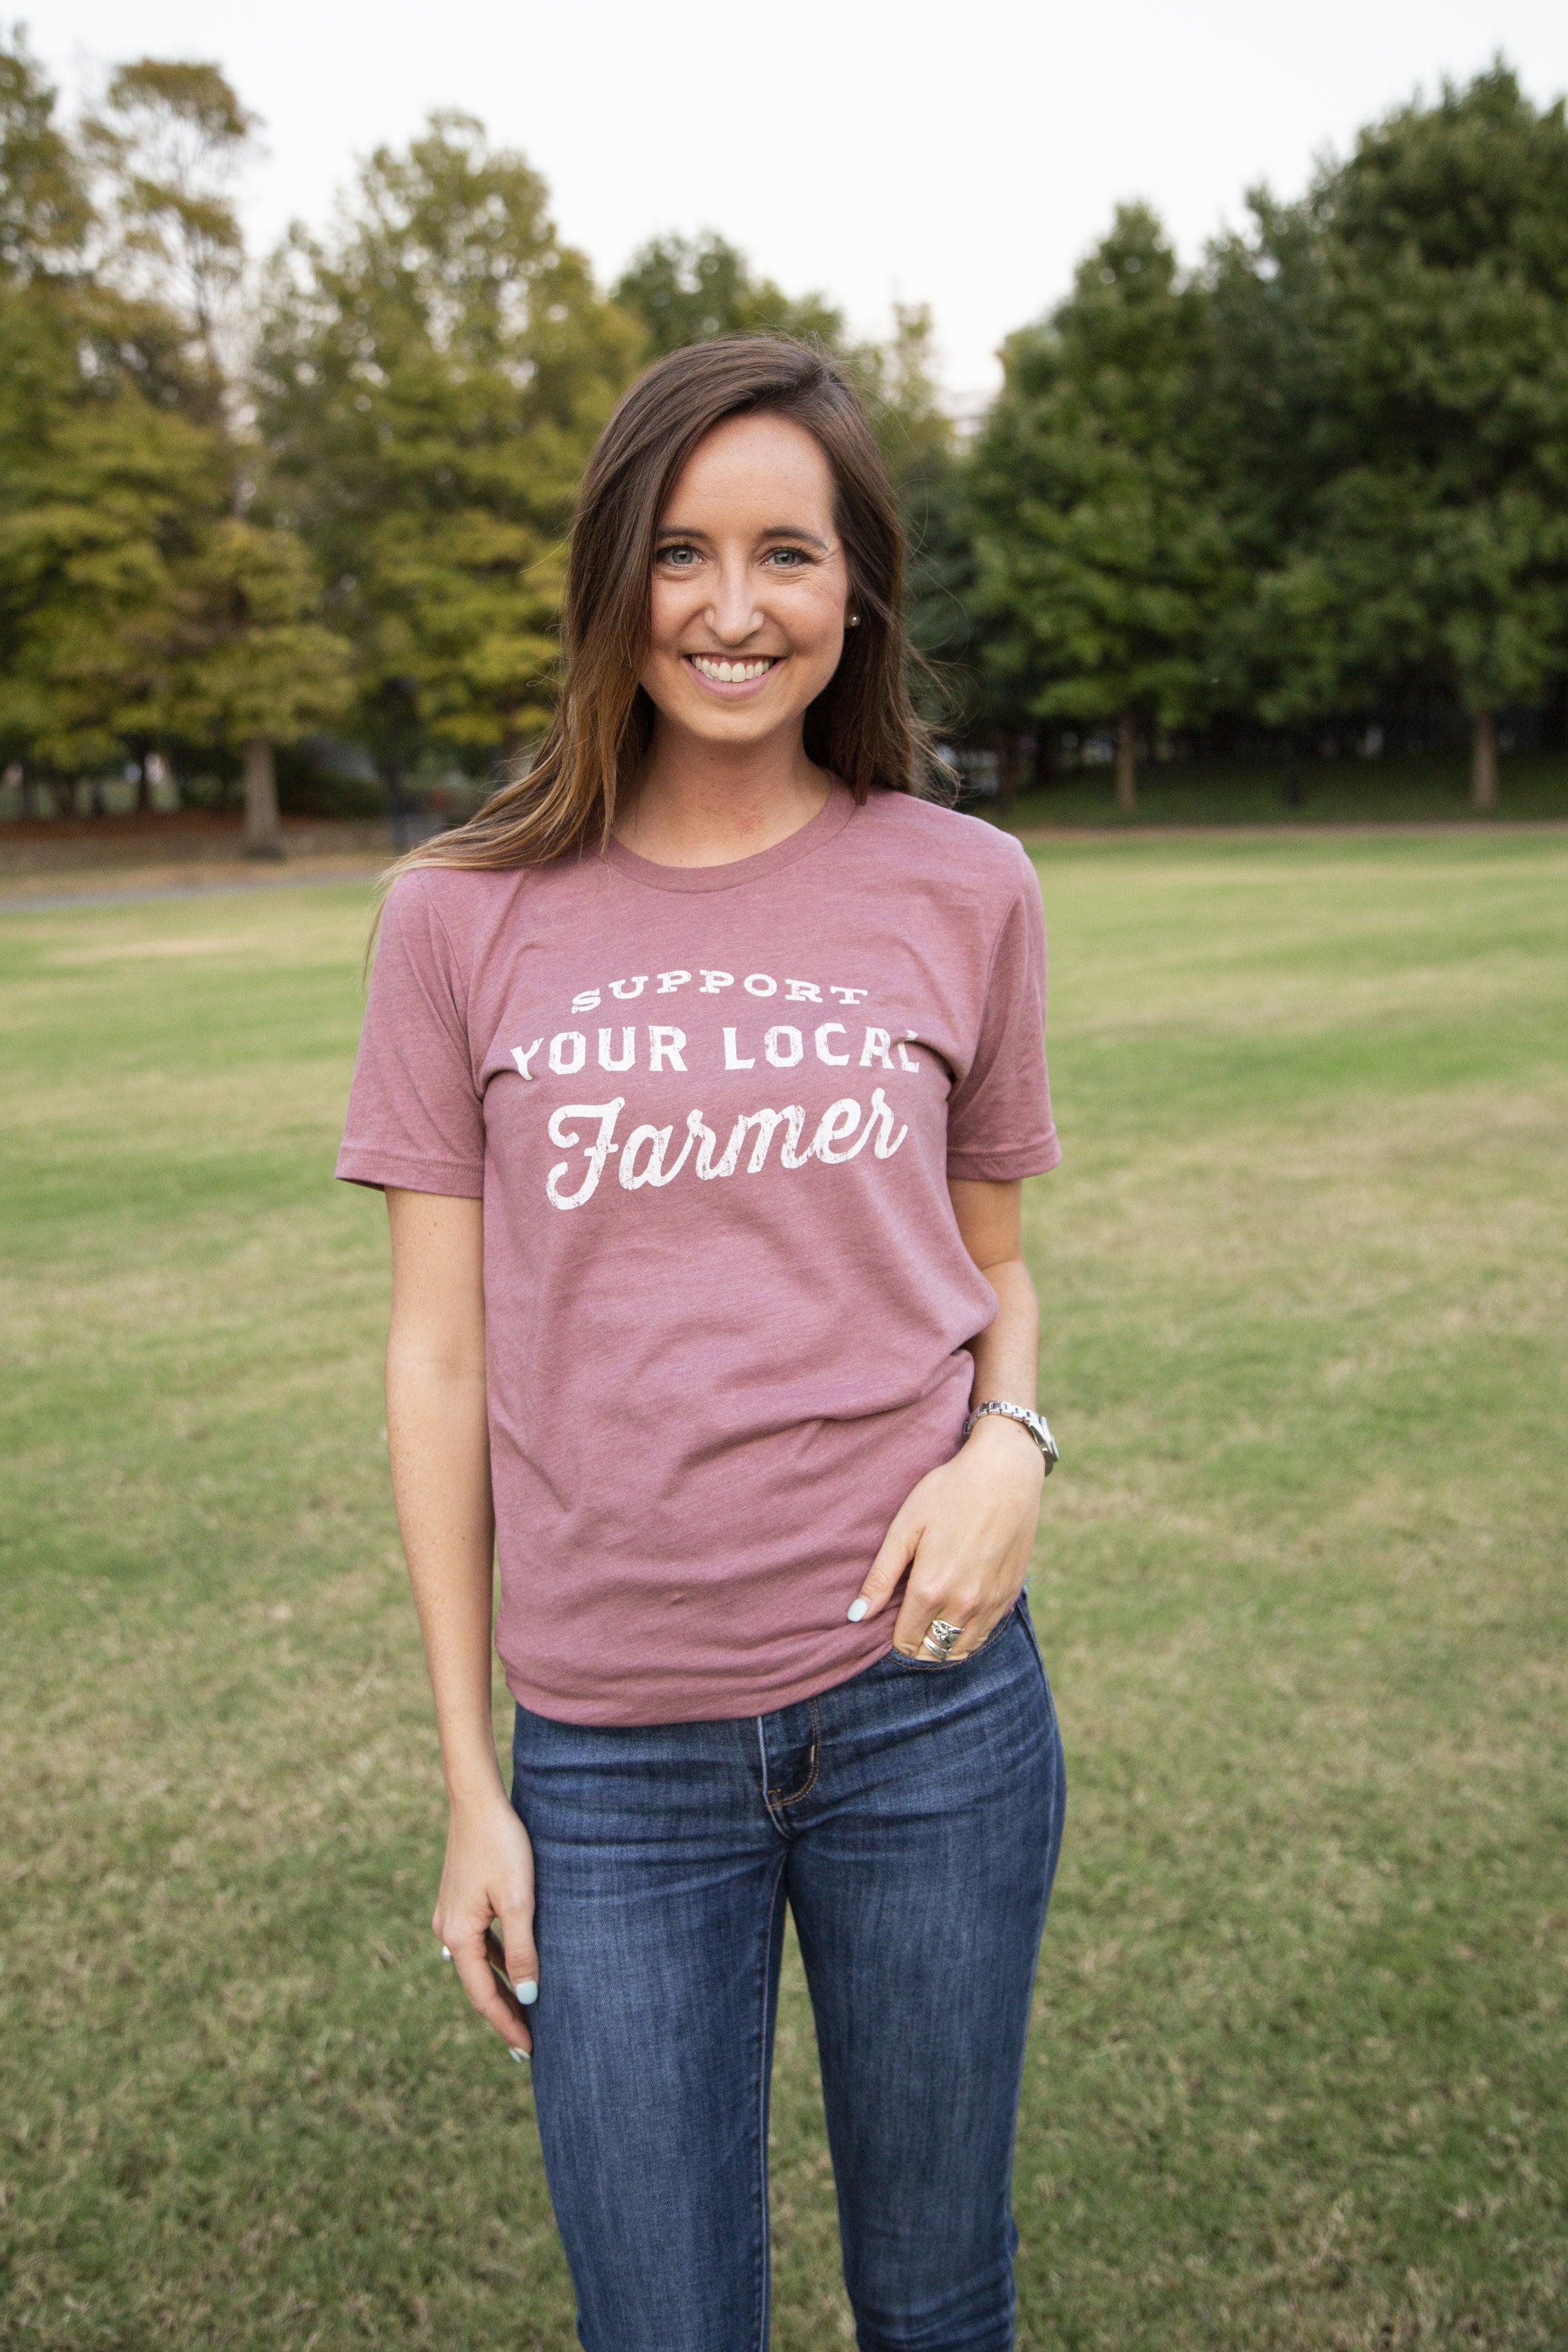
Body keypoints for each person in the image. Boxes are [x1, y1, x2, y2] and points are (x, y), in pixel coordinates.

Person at [337, 335, 1066, 2352]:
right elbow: (437, 1362)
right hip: (609, 1765)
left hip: (931, 1712)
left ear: (859, 591)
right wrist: (473, 1783)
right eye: (679, 553)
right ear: (613, 581)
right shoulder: (457, 918)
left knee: (940, 2297)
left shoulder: (968, 886)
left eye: (785, 555)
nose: (732, 609)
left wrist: (1012, 1445)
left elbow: (996, 1266)